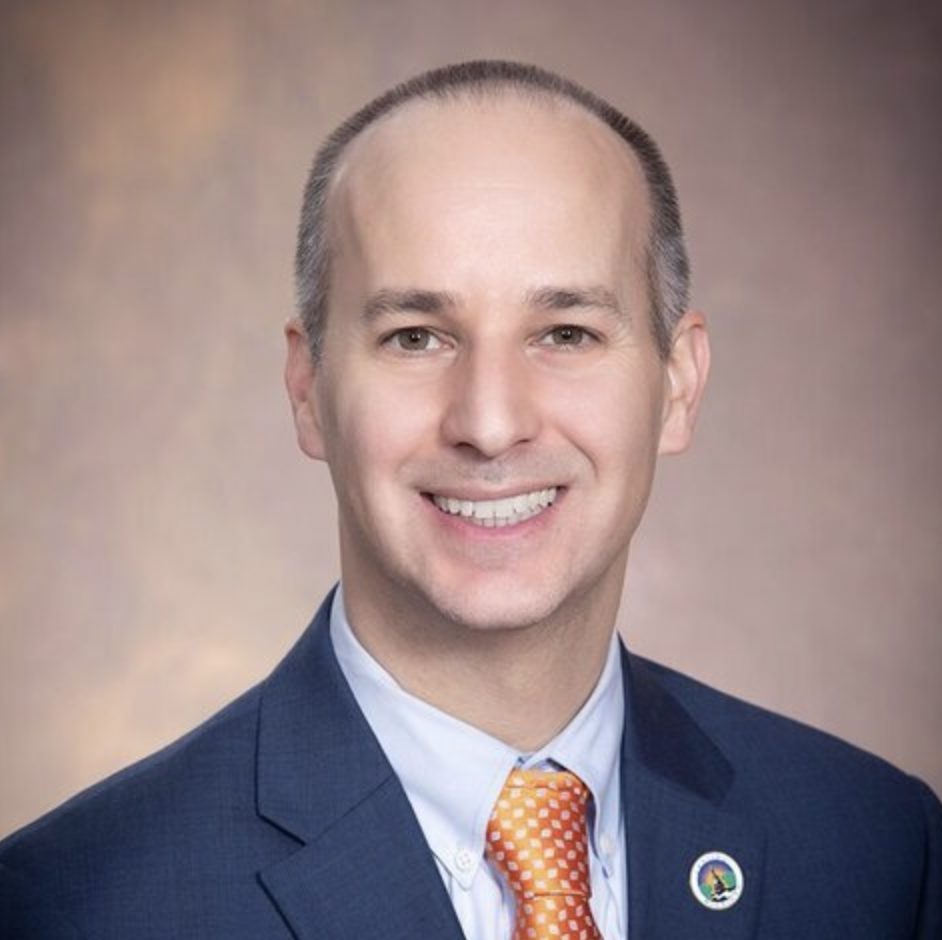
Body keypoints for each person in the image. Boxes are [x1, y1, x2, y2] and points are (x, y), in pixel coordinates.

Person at [0, 60, 938, 940]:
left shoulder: (877, 849)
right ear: (307, 388)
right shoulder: (74, 904)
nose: (490, 423)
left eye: (566, 332)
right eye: (416, 337)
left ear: (679, 386)